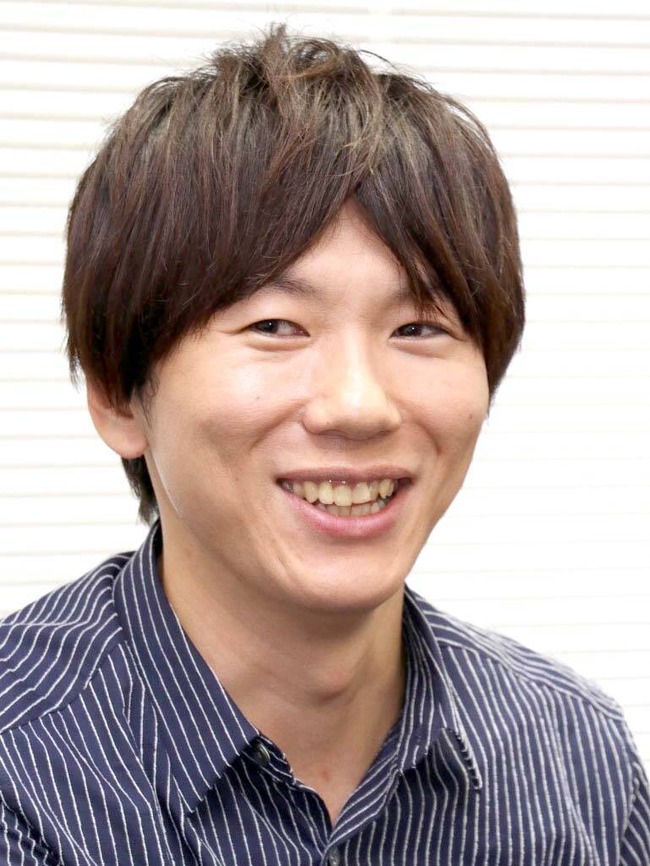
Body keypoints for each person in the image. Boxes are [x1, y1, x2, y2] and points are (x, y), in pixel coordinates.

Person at [0, 26, 648, 866]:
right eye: (275, 326)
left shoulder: (577, 759)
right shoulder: (22, 773)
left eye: (418, 327)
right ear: (117, 392)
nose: (358, 405)